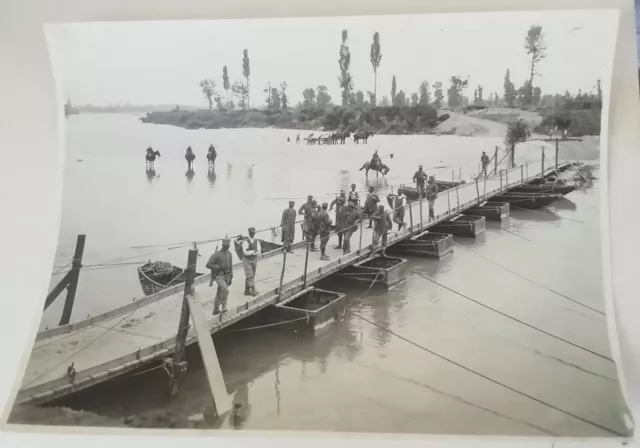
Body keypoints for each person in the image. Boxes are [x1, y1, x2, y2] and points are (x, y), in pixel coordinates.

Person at [206, 239, 234, 315]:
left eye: (228, 246)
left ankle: (215, 309)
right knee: (225, 290)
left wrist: (231, 277)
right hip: (219, 276)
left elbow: (231, 266)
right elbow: (208, 264)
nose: (227, 247)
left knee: (220, 292)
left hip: (227, 275)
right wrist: (218, 267)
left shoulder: (229, 254)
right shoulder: (217, 254)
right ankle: (224, 306)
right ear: (222, 245)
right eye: (225, 246)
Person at [241, 227, 261, 297]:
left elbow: (259, 251)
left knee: (252, 275)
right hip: (247, 260)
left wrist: (252, 252)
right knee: (250, 275)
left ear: (254, 233)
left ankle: (246, 290)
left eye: (253, 233)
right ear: (249, 233)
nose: (252, 234)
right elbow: (246, 252)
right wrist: (253, 251)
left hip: (254, 260)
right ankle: (253, 290)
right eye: (251, 233)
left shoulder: (257, 241)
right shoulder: (245, 242)